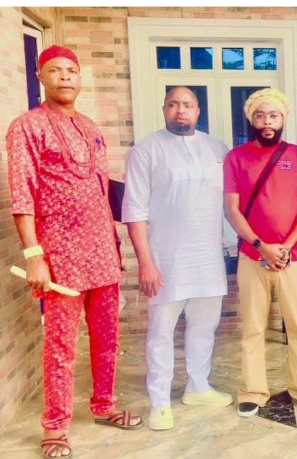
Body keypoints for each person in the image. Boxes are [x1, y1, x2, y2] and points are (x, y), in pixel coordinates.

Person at [6, 45, 142, 459]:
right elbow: (22, 195)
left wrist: (116, 244)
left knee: (107, 337)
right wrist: (34, 255)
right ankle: (55, 427)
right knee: (61, 346)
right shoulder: (26, 127)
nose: (65, 76)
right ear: (40, 77)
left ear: (79, 77)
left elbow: (100, 191)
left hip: (102, 251)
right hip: (59, 255)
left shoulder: (89, 126)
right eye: (55, 70)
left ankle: (104, 405)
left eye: (71, 70)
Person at [122, 86, 233, 431]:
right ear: (164, 109)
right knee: (161, 332)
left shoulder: (217, 149)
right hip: (165, 259)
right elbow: (134, 212)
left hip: (208, 256)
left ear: (198, 111)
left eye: (187, 105)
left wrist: (232, 247)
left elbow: (229, 205)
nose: (180, 110)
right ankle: (159, 400)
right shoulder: (146, 150)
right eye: (173, 104)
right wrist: (146, 263)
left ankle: (198, 386)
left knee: (204, 325)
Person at [223, 88, 297, 417]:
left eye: (273, 115)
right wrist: (260, 246)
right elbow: (232, 210)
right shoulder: (236, 158)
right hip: (252, 256)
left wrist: (286, 246)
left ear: (283, 119)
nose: (267, 121)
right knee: (253, 327)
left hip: (292, 257)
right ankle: (253, 390)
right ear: (251, 120)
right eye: (260, 115)